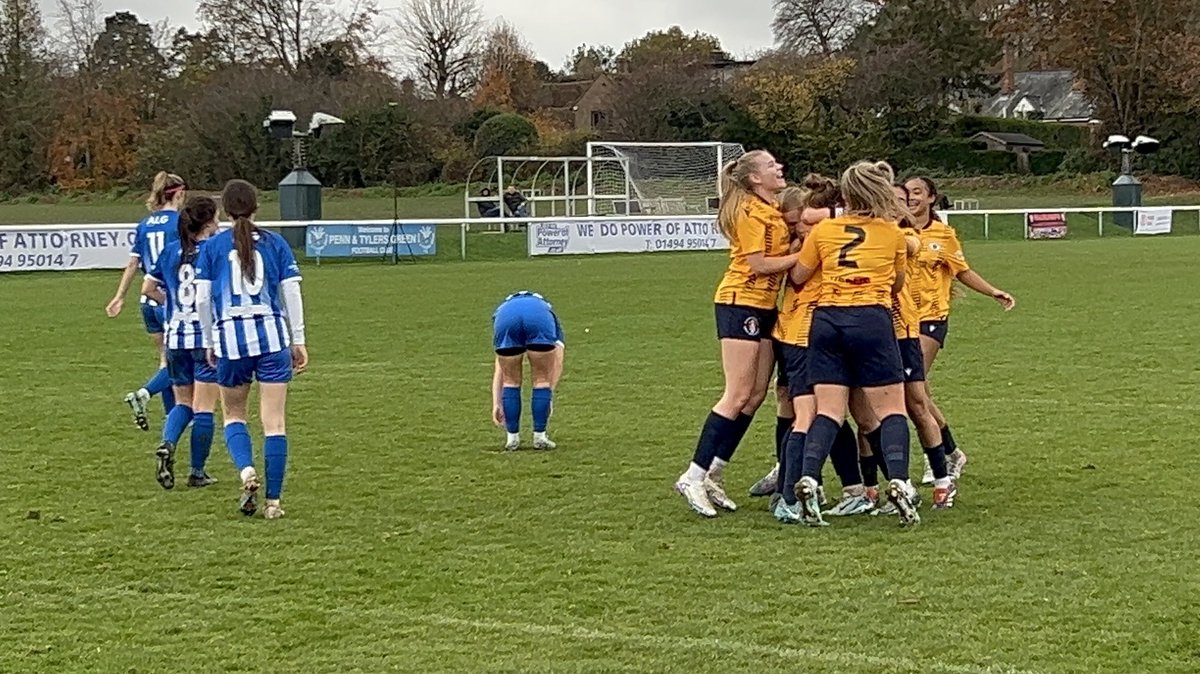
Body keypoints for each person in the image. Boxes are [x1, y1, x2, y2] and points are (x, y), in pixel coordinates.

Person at [783, 161, 921, 527]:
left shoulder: (825, 230)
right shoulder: (892, 233)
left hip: (826, 320)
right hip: (871, 320)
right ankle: (900, 482)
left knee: (828, 410)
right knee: (892, 409)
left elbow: (798, 275)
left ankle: (809, 478)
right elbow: (895, 285)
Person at [674, 150, 793, 518]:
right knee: (737, 392)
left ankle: (715, 472)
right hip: (740, 302)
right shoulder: (749, 211)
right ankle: (693, 475)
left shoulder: (771, 208)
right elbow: (757, 264)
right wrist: (803, 256)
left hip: (764, 305)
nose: (780, 168)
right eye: (771, 165)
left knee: (756, 395)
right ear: (755, 178)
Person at [195, 179, 308, 520]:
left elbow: (202, 299)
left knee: (233, 415)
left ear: (225, 211)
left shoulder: (213, 248)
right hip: (272, 339)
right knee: (274, 423)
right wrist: (298, 339)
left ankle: (246, 471)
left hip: (231, 341)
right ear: (256, 207)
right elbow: (291, 293)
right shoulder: (275, 243)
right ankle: (273, 502)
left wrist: (209, 341)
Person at [905, 176, 1016, 483]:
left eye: (917, 192)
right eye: (907, 192)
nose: (911, 197)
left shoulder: (943, 234)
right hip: (898, 320)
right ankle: (949, 453)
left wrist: (992, 291)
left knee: (913, 390)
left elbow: (962, 271)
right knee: (915, 393)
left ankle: (939, 455)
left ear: (931, 198)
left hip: (931, 319)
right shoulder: (895, 231)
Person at [140, 196, 222, 490]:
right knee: (204, 408)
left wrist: (171, 304)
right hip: (205, 338)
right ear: (209, 222)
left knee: (183, 402)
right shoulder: (215, 251)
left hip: (175, 337)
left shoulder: (170, 251)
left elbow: (148, 288)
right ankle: (197, 472)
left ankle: (167, 443)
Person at [106, 172, 186, 431]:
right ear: (177, 193)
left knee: (166, 360)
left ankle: (170, 417)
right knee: (181, 363)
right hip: (168, 298)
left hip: (146, 299)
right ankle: (143, 394)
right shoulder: (181, 222)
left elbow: (133, 263)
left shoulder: (145, 224)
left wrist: (119, 296)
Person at [490, 291, 565, 451]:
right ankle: (540, 436)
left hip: (506, 319)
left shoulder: (503, 309)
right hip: (539, 319)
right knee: (542, 380)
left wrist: (497, 402)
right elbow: (557, 361)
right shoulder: (547, 311)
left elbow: (500, 369)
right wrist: (548, 395)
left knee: (511, 380)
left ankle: (512, 438)